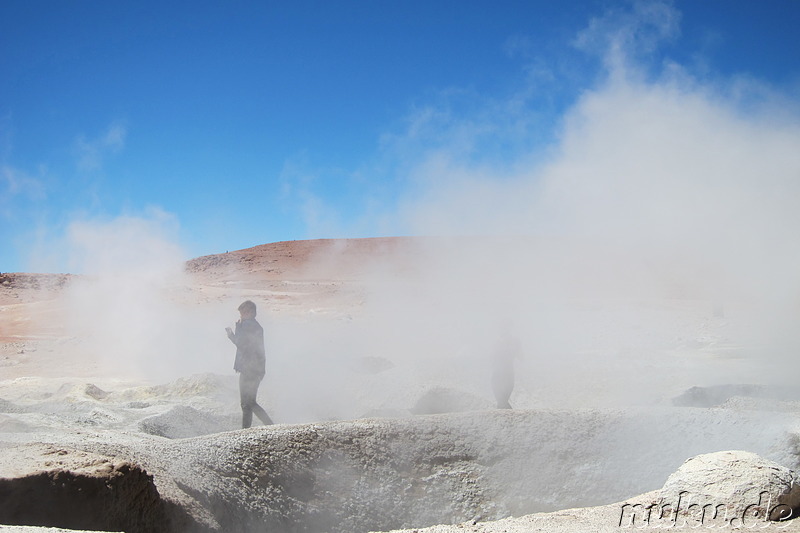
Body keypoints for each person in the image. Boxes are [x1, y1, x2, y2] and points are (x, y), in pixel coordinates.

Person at [226, 300, 273, 428]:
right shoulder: (256, 326)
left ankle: (269, 426)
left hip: (249, 369)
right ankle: (248, 430)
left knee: (248, 403)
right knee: (248, 403)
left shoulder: (248, 325)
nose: (240, 316)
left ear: (249, 312)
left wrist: (232, 333)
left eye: (242, 313)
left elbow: (241, 343)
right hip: (255, 369)